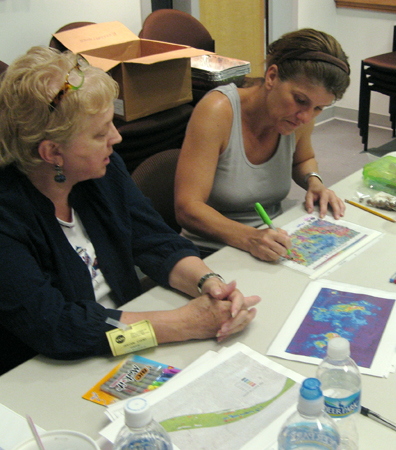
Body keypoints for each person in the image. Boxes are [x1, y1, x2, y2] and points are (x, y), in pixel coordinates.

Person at [0, 47, 260, 375]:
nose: (116, 137)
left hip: (122, 340)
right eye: (100, 133)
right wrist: (185, 324)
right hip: (49, 370)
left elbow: (155, 241)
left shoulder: (101, 171)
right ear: (52, 152)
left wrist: (209, 284)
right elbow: (58, 328)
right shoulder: (9, 214)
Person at [175, 28, 350, 261]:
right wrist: (250, 238)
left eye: (319, 108)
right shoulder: (217, 111)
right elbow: (187, 208)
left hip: (269, 241)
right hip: (212, 251)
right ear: (272, 77)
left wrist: (314, 182)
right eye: (300, 100)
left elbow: (303, 159)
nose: (306, 117)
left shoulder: (298, 118)